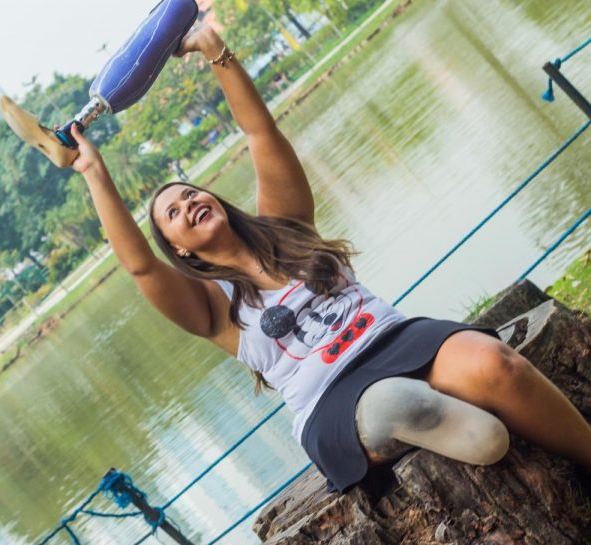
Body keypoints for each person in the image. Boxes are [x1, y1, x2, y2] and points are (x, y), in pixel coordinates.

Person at [65, 24, 591, 493]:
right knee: (402, 406)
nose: (189, 204)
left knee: (499, 364)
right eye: (173, 212)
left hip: (393, 337)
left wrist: (214, 49)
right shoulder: (210, 308)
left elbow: (260, 134)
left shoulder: (286, 225)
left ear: (215, 198)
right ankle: (429, 417)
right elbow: (139, 266)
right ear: (178, 246)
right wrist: (93, 171)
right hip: (331, 400)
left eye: (191, 193)